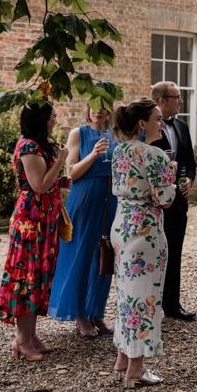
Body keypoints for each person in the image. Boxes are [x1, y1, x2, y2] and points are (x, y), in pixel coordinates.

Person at [0, 99, 69, 361]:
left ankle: (31, 336)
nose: (55, 120)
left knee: (39, 278)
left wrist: (60, 176)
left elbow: (47, 181)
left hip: (45, 220)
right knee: (26, 278)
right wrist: (59, 162)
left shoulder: (39, 145)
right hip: (31, 222)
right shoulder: (28, 146)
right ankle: (22, 340)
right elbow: (38, 186)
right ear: (40, 120)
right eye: (52, 116)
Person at [110, 99, 177, 388]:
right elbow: (165, 198)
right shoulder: (155, 155)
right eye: (157, 118)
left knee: (126, 295)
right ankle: (136, 368)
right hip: (146, 232)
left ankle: (122, 359)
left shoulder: (119, 151)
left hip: (121, 227)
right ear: (142, 124)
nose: (161, 123)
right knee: (145, 298)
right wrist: (172, 179)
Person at [48, 105, 117, 337]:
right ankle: (79, 315)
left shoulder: (115, 134)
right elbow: (72, 172)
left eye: (102, 106)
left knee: (105, 257)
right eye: (92, 106)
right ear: (88, 110)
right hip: (85, 199)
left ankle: (96, 311)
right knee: (81, 255)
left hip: (110, 200)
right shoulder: (79, 133)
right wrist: (94, 154)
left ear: (109, 111)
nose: (97, 111)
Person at [150, 81, 197, 321]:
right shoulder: (146, 130)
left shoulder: (181, 125)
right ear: (161, 101)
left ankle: (172, 304)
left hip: (178, 202)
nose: (181, 101)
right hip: (153, 204)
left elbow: (189, 161)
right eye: (176, 97)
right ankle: (151, 304)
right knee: (152, 254)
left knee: (175, 251)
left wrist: (188, 178)